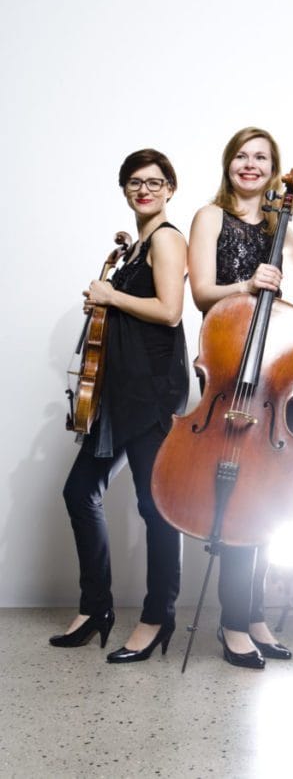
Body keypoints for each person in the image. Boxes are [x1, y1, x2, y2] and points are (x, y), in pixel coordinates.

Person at [50, 149, 189, 664]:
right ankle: (96, 608)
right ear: (125, 190)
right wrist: (107, 302)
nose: (144, 189)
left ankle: (158, 616)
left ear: (170, 188)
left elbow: (170, 312)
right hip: (119, 392)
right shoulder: (135, 249)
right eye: (134, 182)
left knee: (155, 508)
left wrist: (111, 297)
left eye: (154, 181)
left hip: (151, 392)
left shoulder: (168, 239)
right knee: (79, 491)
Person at [188, 126, 293, 670]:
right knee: (235, 499)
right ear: (228, 163)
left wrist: (291, 311)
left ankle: (255, 614)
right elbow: (200, 293)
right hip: (228, 371)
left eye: (261, 157)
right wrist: (247, 285)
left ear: (274, 169)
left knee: (265, 496)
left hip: (276, 380)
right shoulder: (210, 217)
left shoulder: (283, 227)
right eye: (242, 155)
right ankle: (233, 621)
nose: (251, 164)